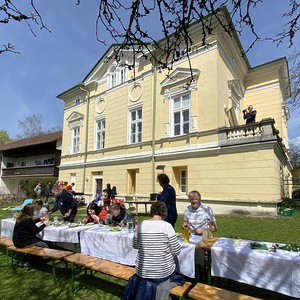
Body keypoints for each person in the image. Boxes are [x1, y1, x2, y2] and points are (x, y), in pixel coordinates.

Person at [122, 201, 182, 300]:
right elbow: (176, 251)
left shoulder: (141, 225)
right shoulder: (167, 226)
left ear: (152, 211)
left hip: (142, 271)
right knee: (175, 259)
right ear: (164, 213)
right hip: (162, 273)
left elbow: (135, 245)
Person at [182, 190, 218, 272]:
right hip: (191, 237)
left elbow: (215, 228)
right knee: (184, 250)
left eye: (195, 199)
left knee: (199, 254)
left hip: (204, 237)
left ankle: (203, 272)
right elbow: (185, 222)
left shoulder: (207, 209)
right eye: (191, 199)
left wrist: (203, 230)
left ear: (199, 199)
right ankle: (187, 271)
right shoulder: (187, 209)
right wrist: (184, 225)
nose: (193, 201)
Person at [12, 204, 49, 269]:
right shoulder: (28, 220)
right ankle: (34, 262)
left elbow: (30, 223)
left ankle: (24, 260)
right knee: (43, 244)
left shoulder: (20, 218)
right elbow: (36, 230)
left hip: (16, 241)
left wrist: (39, 219)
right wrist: (44, 224)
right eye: (33, 211)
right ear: (31, 211)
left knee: (37, 240)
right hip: (22, 242)